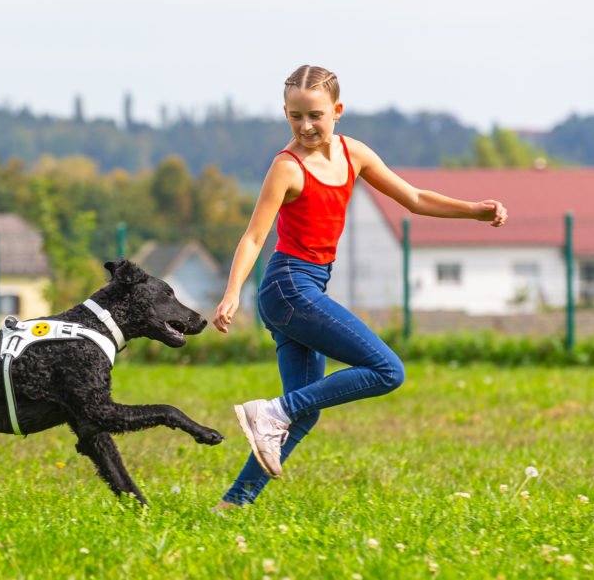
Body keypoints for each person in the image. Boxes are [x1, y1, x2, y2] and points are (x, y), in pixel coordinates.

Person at [211, 65, 507, 509]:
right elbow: (255, 235)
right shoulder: (286, 168)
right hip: (288, 286)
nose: (306, 126)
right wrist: (233, 292)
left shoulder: (355, 154)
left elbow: (416, 199)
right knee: (388, 371)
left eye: (315, 115)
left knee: (304, 410)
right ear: (285, 114)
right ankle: (271, 412)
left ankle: (235, 502)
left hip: (304, 287)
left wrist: (474, 210)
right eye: (295, 116)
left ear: (337, 110)